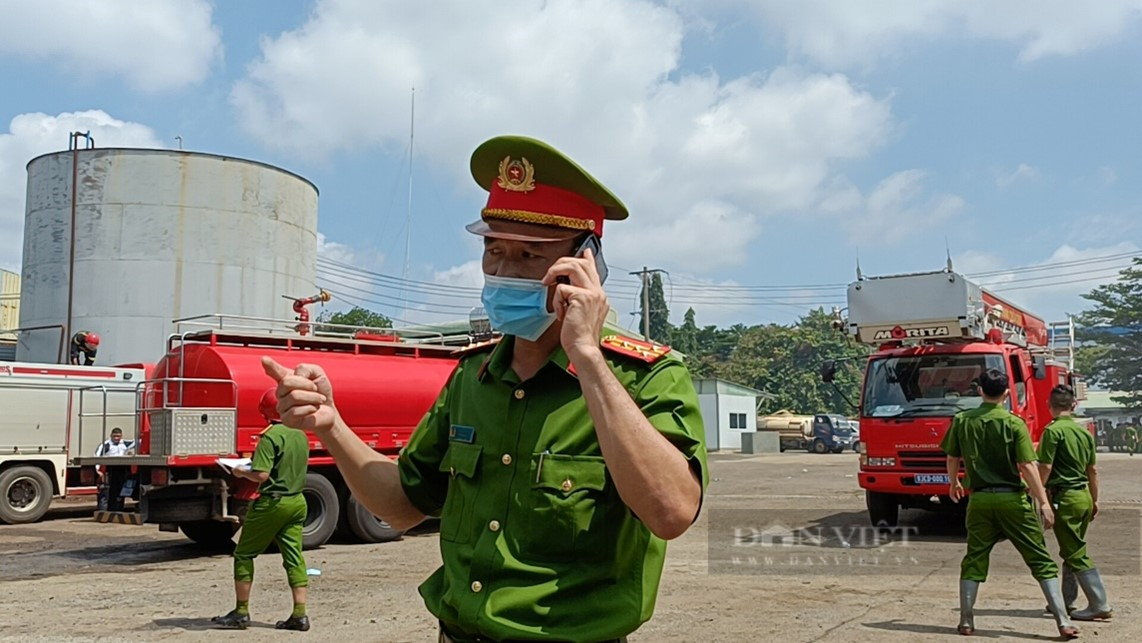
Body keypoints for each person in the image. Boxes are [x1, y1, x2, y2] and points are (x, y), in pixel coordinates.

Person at [261, 134, 708, 642]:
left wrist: (586, 357)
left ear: (584, 265)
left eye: (529, 256)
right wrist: (331, 426)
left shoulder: (644, 376)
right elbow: (404, 507)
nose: (502, 272)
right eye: (493, 251)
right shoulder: (473, 376)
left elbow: (671, 512)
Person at [942, 369, 1078, 638]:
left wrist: (953, 483)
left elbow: (952, 455)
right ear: (1007, 394)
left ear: (980, 390)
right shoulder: (1013, 423)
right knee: (1040, 559)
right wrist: (1043, 502)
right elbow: (1027, 466)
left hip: (979, 500)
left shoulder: (961, 420)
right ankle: (1063, 622)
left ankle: (966, 620)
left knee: (975, 557)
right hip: (1013, 500)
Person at [212, 387, 311, 632]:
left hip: (272, 503)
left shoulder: (270, 437)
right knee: (294, 557)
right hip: (297, 501)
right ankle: (300, 615)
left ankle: (241, 612)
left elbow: (262, 474)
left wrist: (239, 471)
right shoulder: (301, 434)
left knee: (244, 554)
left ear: (265, 412)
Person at [1037, 384, 1113, 621]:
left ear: (1049, 406)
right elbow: (1093, 470)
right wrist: (1095, 499)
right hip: (1083, 497)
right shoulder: (1084, 433)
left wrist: (1037, 494)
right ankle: (1066, 602)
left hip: (1064, 498)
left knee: (1075, 551)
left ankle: (1099, 603)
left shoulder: (1052, 432)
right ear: (1073, 405)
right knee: (1072, 548)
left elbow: (1046, 467)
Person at [94, 427, 134, 512]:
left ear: (121, 436)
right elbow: (97, 456)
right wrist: (98, 470)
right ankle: (105, 510)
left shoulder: (125, 444)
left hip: (121, 469)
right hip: (109, 469)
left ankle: (119, 508)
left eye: (118, 436)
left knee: (120, 490)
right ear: (111, 435)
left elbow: (137, 442)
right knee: (107, 490)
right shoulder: (106, 445)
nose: (116, 438)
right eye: (115, 436)